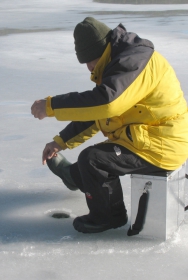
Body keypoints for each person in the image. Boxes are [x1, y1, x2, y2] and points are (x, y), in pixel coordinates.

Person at [31, 17, 188, 234]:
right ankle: (74, 176)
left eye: (88, 61)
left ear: (99, 51)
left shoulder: (133, 62)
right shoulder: (121, 61)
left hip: (162, 144)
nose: (88, 68)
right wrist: (61, 141)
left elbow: (106, 103)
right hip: (149, 137)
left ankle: (108, 217)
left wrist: (50, 106)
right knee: (96, 159)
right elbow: (98, 113)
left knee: (93, 160)